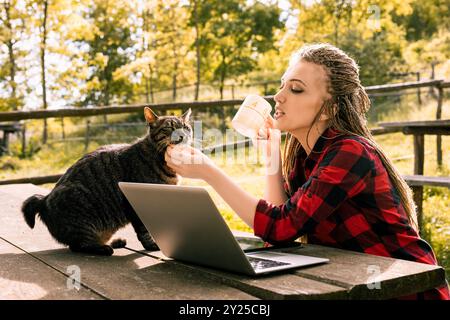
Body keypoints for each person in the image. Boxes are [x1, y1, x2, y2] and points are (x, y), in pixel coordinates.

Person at [165, 43, 449, 300]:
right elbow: (278, 237)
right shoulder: (304, 156)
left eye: (295, 89)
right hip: (352, 285)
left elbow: (279, 225)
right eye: (282, 86)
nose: (278, 96)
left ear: (328, 109)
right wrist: (272, 157)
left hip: (407, 290)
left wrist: (210, 173)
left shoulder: (350, 152)